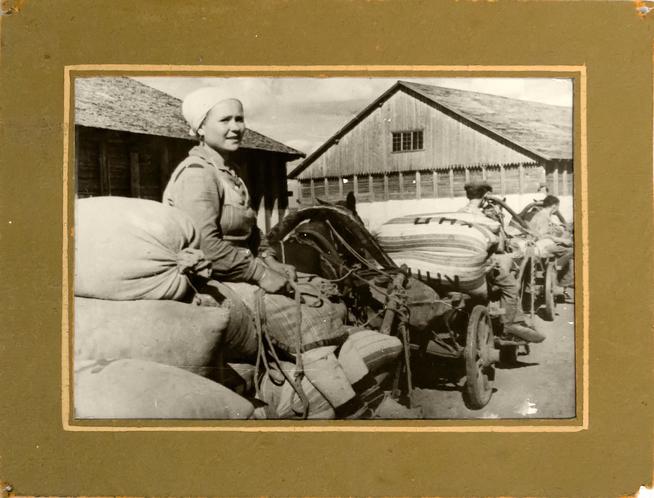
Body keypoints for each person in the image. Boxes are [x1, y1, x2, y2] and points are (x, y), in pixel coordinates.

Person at [162, 87, 417, 418]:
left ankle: (373, 398)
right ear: (199, 128)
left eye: (239, 118)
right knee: (302, 317)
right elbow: (207, 245)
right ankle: (356, 412)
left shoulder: (228, 173)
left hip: (239, 270)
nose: (236, 127)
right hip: (214, 277)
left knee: (318, 295)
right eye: (225, 119)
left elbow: (255, 238)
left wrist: (275, 265)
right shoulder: (197, 175)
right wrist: (261, 274)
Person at [458, 181, 545, 344]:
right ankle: (510, 326)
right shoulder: (485, 217)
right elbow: (499, 248)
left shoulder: (459, 213)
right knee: (512, 286)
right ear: (486, 196)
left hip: (459, 263)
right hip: (480, 266)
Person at [528, 195, 574, 294]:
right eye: (557, 208)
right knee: (572, 251)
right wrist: (561, 240)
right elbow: (542, 236)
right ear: (554, 206)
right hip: (541, 246)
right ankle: (560, 282)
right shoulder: (543, 216)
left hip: (541, 244)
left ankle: (559, 278)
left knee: (568, 249)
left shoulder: (542, 215)